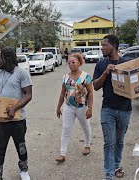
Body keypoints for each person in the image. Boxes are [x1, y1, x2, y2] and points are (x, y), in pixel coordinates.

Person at [92, 34, 133, 179]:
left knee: (119, 141)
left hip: (125, 109)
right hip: (107, 109)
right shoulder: (101, 64)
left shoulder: (127, 63)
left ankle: (116, 165)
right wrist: (106, 72)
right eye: (101, 45)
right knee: (109, 142)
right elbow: (95, 86)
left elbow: (136, 86)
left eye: (105, 45)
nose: (102, 48)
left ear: (114, 46)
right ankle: (109, 175)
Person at [0, 48, 32, 180]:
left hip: (18, 121)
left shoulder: (22, 73)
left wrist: (14, 108)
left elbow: (28, 95)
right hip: (2, 122)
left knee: (20, 146)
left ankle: (24, 171)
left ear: (7, 59)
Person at [55, 53, 93, 162]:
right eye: (69, 63)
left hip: (82, 107)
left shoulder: (85, 76)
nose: (71, 64)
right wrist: (58, 107)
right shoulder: (65, 77)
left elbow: (90, 93)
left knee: (85, 126)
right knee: (66, 128)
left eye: (73, 62)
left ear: (79, 63)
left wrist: (90, 108)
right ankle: (62, 153)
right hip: (68, 106)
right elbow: (63, 93)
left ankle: (87, 145)